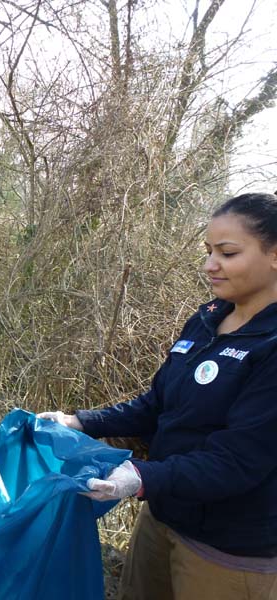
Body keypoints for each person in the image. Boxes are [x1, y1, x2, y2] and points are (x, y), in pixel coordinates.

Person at [40, 192, 277, 600]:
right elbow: (157, 405)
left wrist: (141, 476)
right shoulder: (206, 320)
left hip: (227, 548)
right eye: (207, 251)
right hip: (164, 515)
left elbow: (237, 461)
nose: (209, 265)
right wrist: (80, 421)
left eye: (228, 252)